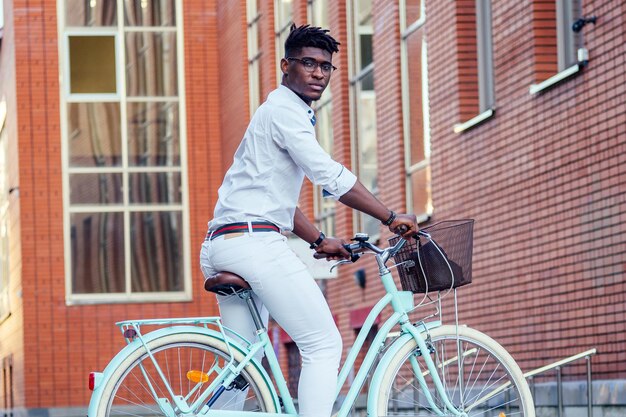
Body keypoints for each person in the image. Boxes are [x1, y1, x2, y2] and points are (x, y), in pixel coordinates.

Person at [199, 24, 418, 417]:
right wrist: (389, 216)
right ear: (286, 66)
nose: (319, 73)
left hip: (224, 244)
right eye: (308, 63)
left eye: (326, 67)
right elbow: (329, 175)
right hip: (254, 246)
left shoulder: (276, 114)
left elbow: (277, 201)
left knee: (240, 364)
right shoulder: (285, 111)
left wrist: (319, 241)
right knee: (323, 344)